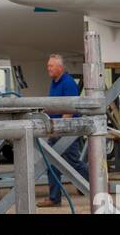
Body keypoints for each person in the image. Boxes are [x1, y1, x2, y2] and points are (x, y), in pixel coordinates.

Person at [37, 53, 89, 208]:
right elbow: (53, 105)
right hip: (56, 130)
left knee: (74, 163)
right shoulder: (54, 82)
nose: (48, 68)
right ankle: (54, 198)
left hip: (66, 132)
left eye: (51, 66)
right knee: (52, 164)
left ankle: (98, 185)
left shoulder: (68, 83)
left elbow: (69, 110)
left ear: (60, 67)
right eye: (48, 65)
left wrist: (60, 131)